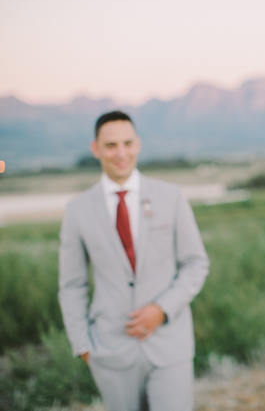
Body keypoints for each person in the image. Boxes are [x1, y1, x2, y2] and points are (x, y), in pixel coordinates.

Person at [58, 110, 209, 411]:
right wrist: (83, 345)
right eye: (111, 145)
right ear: (96, 148)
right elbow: (72, 284)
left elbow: (196, 263)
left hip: (169, 346)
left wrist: (161, 308)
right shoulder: (77, 210)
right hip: (110, 350)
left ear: (137, 144)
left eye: (127, 143)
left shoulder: (171, 197)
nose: (121, 153)